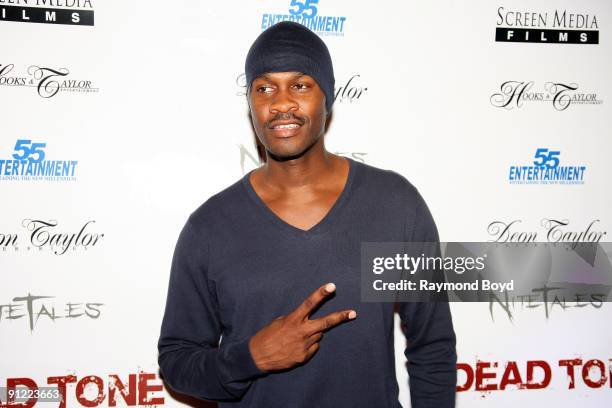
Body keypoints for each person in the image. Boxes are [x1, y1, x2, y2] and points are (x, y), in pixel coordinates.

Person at [157, 21, 456, 408]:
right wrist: (250, 358)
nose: (281, 103)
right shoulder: (210, 227)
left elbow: (432, 344)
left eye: (300, 85)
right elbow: (177, 361)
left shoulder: (396, 204)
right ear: (250, 105)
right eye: (264, 88)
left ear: (326, 98)